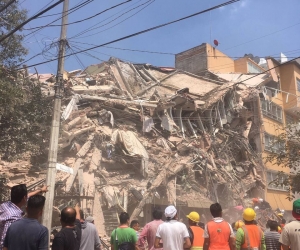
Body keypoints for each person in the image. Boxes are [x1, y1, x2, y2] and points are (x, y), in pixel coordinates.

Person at [0, 184, 48, 250]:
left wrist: (41, 190)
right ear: (24, 198)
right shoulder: (13, 218)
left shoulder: (6, 205)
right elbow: (5, 241)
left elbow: (28, 195)